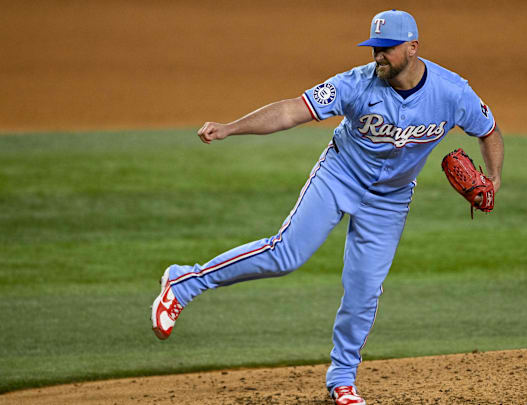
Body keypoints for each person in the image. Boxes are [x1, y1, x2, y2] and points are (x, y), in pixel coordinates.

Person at [151, 9, 504, 405]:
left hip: (390, 199)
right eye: (375, 48)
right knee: (285, 254)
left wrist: (493, 179)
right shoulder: (355, 84)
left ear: (412, 47)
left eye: (387, 49)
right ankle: (184, 283)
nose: (379, 56)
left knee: (364, 290)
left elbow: (488, 130)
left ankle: (342, 379)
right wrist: (232, 127)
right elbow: (290, 110)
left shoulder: (452, 92)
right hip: (340, 176)